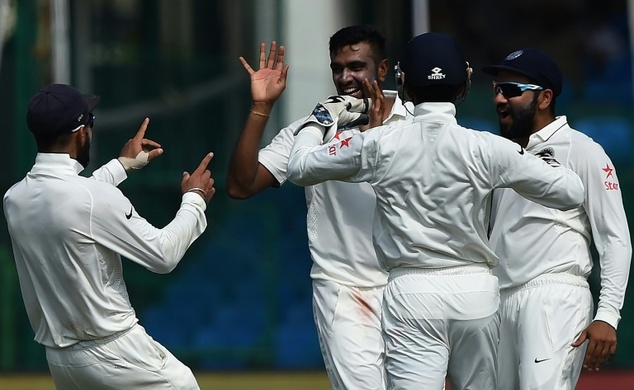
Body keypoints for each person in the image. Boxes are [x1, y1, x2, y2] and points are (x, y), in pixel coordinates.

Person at [286, 32, 586, 390]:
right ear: (466, 82)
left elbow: (299, 167)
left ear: (403, 82)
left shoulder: (377, 143)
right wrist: (538, 158)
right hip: (475, 292)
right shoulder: (487, 147)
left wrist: (319, 117)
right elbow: (571, 192)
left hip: (411, 292)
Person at [226, 25, 412, 389]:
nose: (346, 77)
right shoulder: (312, 128)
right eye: (337, 68)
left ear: (384, 68)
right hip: (343, 289)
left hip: (410, 285)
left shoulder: (417, 123)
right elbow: (240, 185)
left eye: (357, 66)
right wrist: (261, 108)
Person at [3, 83, 215, 390]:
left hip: (61, 362)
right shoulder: (92, 198)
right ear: (81, 132)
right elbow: (163, 255)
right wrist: (194, 199)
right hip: (117, 353)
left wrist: (121, 166)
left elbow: (70, 201)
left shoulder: (14, 198)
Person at [481, 48, 632, 389]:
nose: (500, 99)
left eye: (512, 90)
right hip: (500, 298)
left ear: (545, 97)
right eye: (497, 90)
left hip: (554, 296)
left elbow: (614, 238)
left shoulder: (583, 150)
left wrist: (607, 315)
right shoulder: (501, 154)